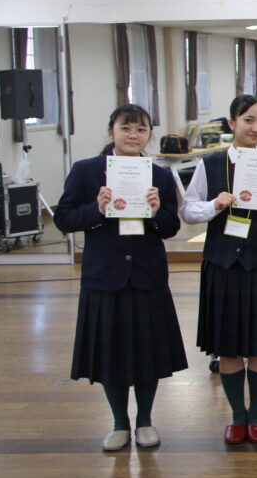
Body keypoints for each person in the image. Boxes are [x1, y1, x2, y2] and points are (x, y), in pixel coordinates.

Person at [55, 104, 186, 451]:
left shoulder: (160, 175)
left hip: (147, 274)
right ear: (111, 131)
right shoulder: (86, 171)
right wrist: (96, 208)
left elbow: (171, 227)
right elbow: (64, 219)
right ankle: (118, 423)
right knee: (110, 355)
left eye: (141, 130)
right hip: (105, 275)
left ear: (149, 135)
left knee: (148, 355)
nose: (133, 135)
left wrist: (156, 212)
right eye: (125, 128)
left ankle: (145, 421)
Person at [181, 95, 257, 445]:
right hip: (222, 263)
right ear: (232, 123)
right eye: (248, 120)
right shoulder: (210, 164)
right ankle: (237, 416)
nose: (256, 128)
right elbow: (187, 211)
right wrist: (214, 205)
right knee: (228, 348)